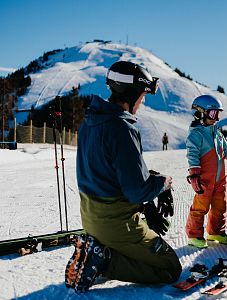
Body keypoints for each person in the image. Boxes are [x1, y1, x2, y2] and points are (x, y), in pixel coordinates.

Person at [65, 61, 182, 293]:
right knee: (170, 266)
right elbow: (137, 190)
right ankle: (103, 262)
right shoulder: (122, 128)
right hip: (117, 223)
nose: (143, 100)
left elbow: (110, 171)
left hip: (91, 219)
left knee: (146, 245)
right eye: (143, 94)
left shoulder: (91, 121)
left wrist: (150, 181)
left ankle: (101, 251)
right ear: (132, 93)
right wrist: (163, 183)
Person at [185, 95, 227, 248]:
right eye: (212, 114)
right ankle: (194, 235)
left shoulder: (217, 132)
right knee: (200, 207)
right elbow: (192, 154)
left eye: (218, 114)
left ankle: (215, 232)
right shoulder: (196, 133)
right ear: (200, 113)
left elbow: (226, 149)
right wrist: (194, 174)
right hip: (204, 180)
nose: (216, 118)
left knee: (220, 206)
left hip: (219, 180)